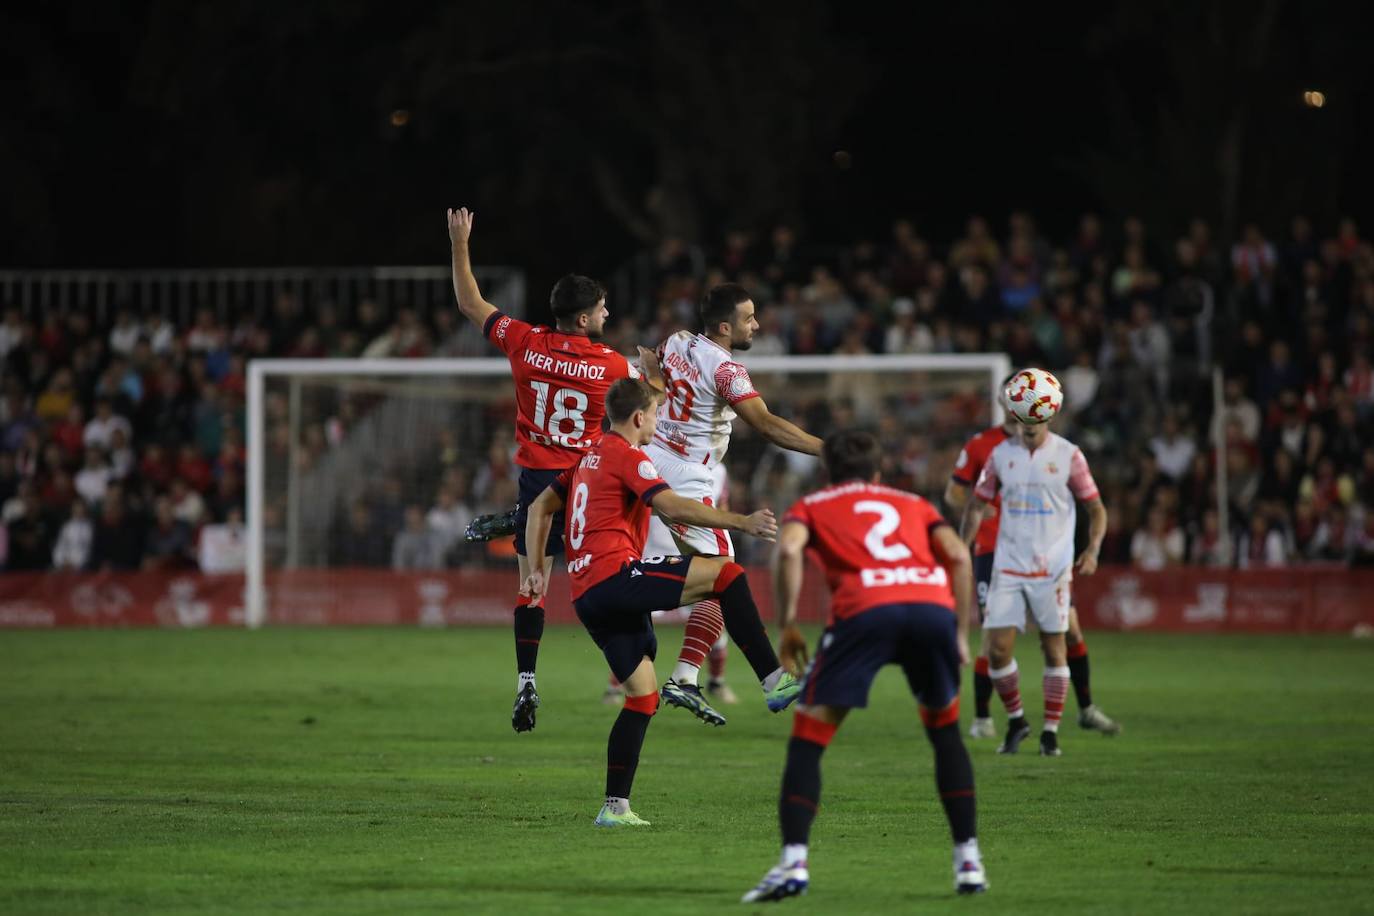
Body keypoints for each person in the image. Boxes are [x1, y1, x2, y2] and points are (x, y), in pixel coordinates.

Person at [521, 378, 785, 826]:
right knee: (727, 573)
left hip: (586, 595)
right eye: (656, 414)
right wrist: (741, 521)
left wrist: (534, 569)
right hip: (616, 577)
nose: (659, 422)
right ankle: (773, 679)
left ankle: (615, 809)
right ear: (639, 417)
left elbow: (538, 508)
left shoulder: (587, 457)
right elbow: (673, 507)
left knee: (642, 698)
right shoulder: (627, 455)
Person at [742, 430, 986, 902]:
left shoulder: (813, 505)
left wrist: (787, 623)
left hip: (865, 611)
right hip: (931, 610)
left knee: (809, 737)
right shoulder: (914, 503)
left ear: (828, 470)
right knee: (944, 732)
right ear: (878, 471)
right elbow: (958, 555)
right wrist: (959, 632)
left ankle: (793, 864)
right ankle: (969, 862)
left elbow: (788, 550)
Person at [447, 207, 663, 732]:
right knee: (620, 573)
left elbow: (470, 302)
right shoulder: (611, 365)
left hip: (538, 484)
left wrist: (460, 242)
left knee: (533, 585)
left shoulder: (524, 341)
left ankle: (526, 680)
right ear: (584, 319)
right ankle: (636, 669)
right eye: (603, 308)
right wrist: (655, 375)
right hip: (589, 486)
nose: (608, 313)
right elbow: (648, 403)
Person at [643, 282, 823, 725]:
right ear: (725, 327)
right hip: (687, 475)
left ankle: (691, 675)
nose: (756, 325)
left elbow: (650, 366)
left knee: (717, 578)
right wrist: (829, 451)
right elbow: (767, 425)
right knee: (725, 577)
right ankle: (765, 681)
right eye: (748, 318)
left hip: (650, 458)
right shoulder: (727, 370)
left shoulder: (676, 341)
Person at [946, 391, 1121, 740]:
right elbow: (956, 493)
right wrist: (973, 518)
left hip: (1048, 560)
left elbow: (1094, 505)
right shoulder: (985, 446)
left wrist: (1092, 549)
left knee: (1068, 634)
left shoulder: (1064, 453)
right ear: (1006, 403)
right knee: (994, 643)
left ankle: (1084, 708)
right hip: (994, 552)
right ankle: (985, 717)